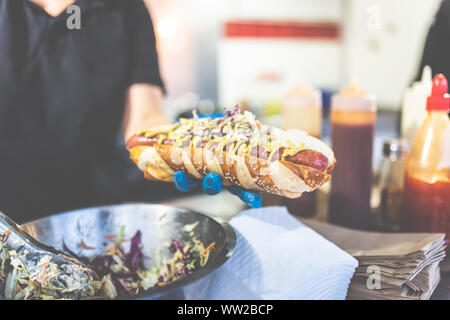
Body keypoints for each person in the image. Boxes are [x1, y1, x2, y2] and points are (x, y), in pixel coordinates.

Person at [0, 0, 259, 222]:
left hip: (99, 211)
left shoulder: (125, 8)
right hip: (9, 215)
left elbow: (145, 119)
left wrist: (191, 149)